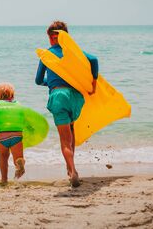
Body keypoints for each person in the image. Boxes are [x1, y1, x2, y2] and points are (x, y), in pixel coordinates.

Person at [35, 21, 98, 187]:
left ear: (50, 38)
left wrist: (52, 82)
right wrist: (94, 82)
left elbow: (38, 80)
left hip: (58, 96)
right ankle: (70, 168)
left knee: (64, 140)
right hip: (75, 97)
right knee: (71, 132)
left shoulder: (47, 55)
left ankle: (72, 171)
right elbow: (94, 59)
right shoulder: (74, 52)